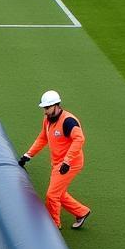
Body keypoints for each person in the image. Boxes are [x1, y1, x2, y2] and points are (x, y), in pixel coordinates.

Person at [18, 90, 92, 230]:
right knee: (59, 193)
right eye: (44, 108)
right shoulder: (47, 120)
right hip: (58, 163)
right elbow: (42, 138)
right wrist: (28, 155)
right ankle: (81, 212)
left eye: (47, 108)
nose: (45, 111)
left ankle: (54, 225)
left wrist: (67, 161)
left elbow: (79, 139)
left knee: (52, 195)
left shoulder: (69, 121)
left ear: (56, 105)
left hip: (69, 164)